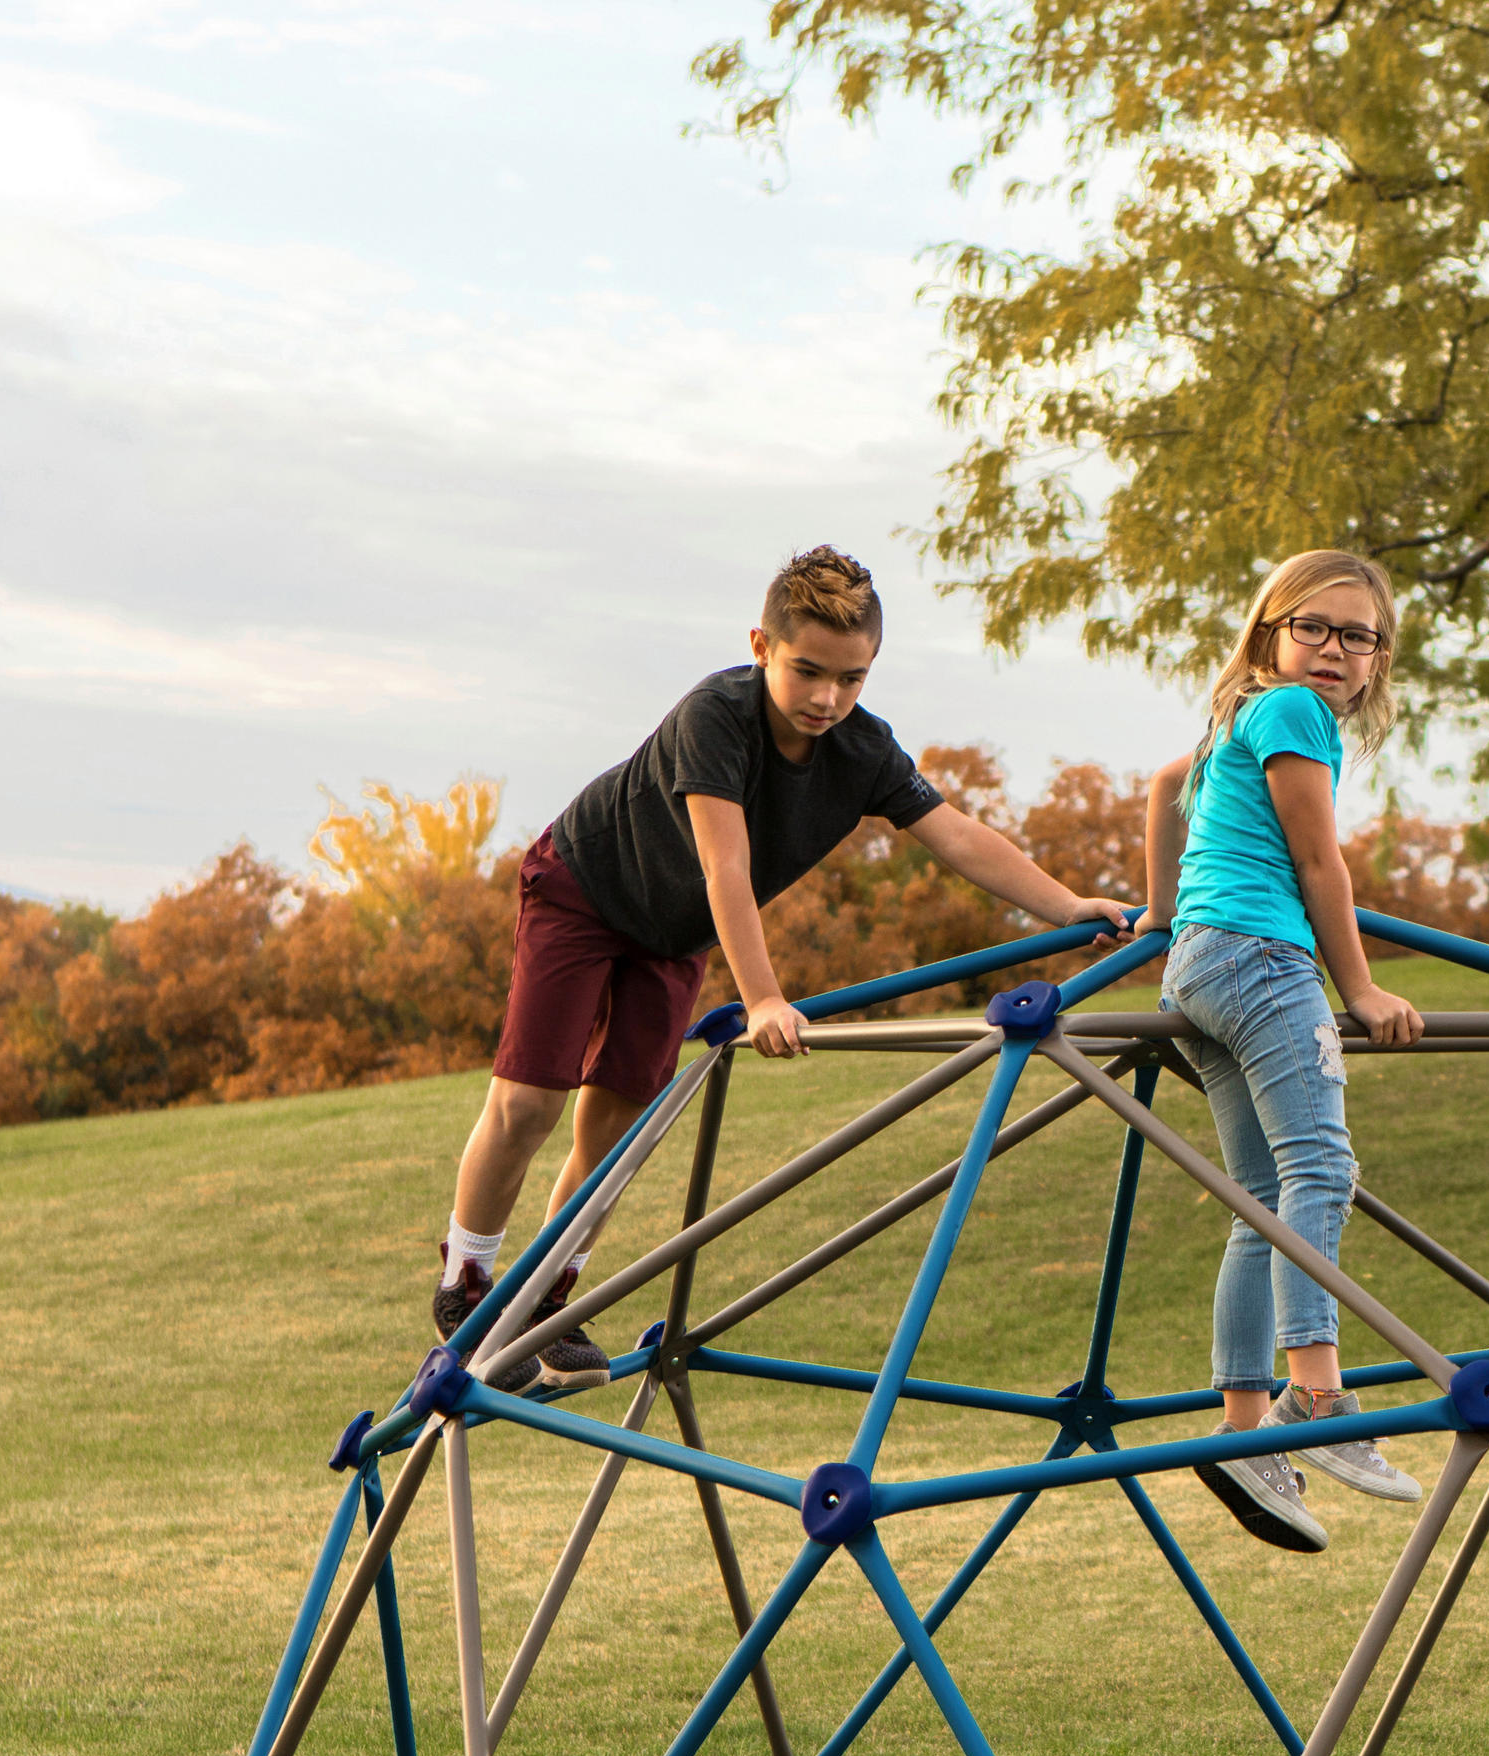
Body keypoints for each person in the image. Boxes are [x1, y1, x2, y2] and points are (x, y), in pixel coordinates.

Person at [433, 546, 1129, 1388]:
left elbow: (956, 834)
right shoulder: (715, 717)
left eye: (852, 679)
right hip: (584, 888)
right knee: (533, 1099)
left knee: (616, 1131)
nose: (828, 698)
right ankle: (467, 1284)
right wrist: (762, 997)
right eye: (807, 671)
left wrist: (1064, 907)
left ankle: (543, 1297)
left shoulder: (863, 751)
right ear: (761, 645)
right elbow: (727, 867)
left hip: (674, 935)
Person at [1143, 548, 1429, 1554]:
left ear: (1378, 657)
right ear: (1268, 631)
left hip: (1200, 962)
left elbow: (1166, 782)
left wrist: (1161, 917)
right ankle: (1315, 1398)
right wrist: (1358, 986)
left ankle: (1239, 1432)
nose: (1333, 650)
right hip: (1264, 959)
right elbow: (1318, 861)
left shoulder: (1233, 714)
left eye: (1358, 636)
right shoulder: (1292, 712)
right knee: (1320, 1166)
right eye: (1312, 626)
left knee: (1257, 1195)